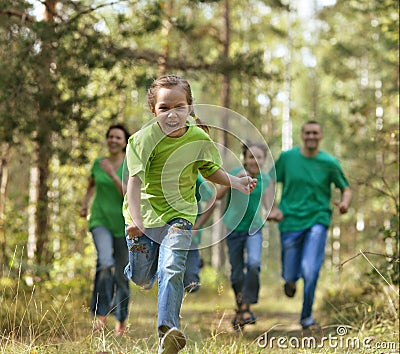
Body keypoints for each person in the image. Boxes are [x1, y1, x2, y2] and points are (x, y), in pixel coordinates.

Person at [122, 74, 257, 354]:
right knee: (142, 277)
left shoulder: (198, 138)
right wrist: (135, 220)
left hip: (180, 214)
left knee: (171, 269)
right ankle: (136, 268)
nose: (172, 114)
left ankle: (167, 333)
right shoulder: (142, 139)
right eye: (164, 108)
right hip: (144, 216)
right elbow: (133, 182)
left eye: (179, 107)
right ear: (153, 111)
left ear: (189, 108)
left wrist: (236, 182)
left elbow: (210, 170)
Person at [267, 120, 352, 330]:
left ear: (321, 135)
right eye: (307, 133)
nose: (311, 136)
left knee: (311, 269)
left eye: (315, 133)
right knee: (290, 272)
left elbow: (346, 188)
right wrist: (272, 208)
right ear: (301, 135)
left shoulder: (329, 162)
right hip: (290, 221)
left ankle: (306, 317)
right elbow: (269, 180)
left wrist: (344, 204)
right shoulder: (287, 158)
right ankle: (290, 280)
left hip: (318, 219)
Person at [79, 123, 131, 336]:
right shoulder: (98, 163)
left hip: (123, 224)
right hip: (99, 219)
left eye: (118, 137)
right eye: (110, 136)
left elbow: (128, 195)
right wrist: (84, 203)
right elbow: (91, 184)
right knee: (105, 263)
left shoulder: (129, 165)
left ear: (125, 142)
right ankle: (100, 317)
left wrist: (113, 175)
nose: (113, 140)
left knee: (122, 274)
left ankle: (121, 320)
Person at [217, 142, 271, 331]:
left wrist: (275, 213)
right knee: (237, 273)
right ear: (245, 159)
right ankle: (241, 309)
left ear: (264, 160)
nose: (255, 161)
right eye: (251, 157)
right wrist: (234, 180)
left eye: (259, 157)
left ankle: (247, 307)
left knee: (254, 264)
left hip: (254, 229)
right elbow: (217, 196)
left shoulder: (265, 179)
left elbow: (268, 204)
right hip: (233, 230)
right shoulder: (235, 172)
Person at [183, 174, 216, 293]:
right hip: (166, 234)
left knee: (191, 283)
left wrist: (196, 226)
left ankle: (196, 264)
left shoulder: (194, 175)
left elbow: (213, 199)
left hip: (190, 234)